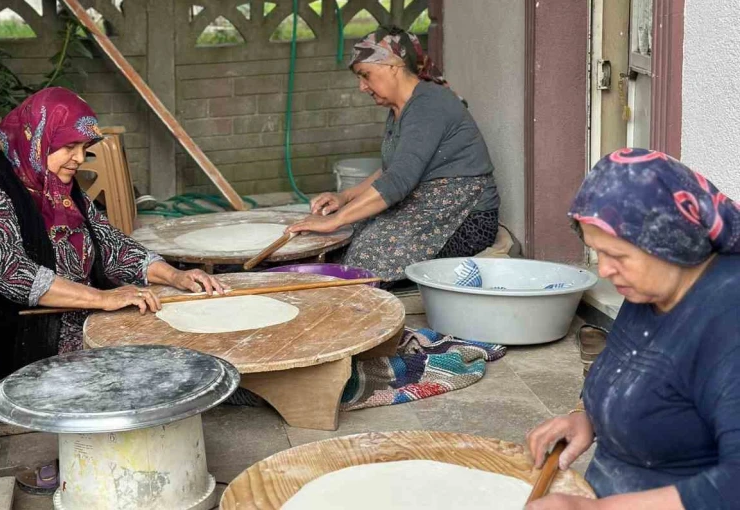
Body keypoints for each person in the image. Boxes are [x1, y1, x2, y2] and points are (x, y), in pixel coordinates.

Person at [525, 148, 740, 510]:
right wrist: (586, 417)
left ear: (670, 242)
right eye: (597, 252)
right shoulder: (653, 287)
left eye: (619, 256)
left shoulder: (727, 323)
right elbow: (627, 371)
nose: (604, 271)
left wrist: (596, 509)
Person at [0, 87, 226, 382]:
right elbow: (12, 273)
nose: (79, 158)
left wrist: (173, 276)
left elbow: (110, 243)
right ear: (36, 139)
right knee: (157, 365)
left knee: (184, 336)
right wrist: (103, 299)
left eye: (84, 147)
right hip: (24, 343)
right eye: (69, 147)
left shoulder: (58, 185)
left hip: (83, 316)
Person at [288, 26, 500, 283]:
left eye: (365, 75)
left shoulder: (429, 105)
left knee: (368, 253)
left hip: (466, 218)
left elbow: (398, 180)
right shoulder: (400, 109)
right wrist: (344, 197)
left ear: (393, 66)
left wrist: (334, 220)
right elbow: (392, 168)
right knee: (341, 239)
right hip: (426, 204)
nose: (361, 87)